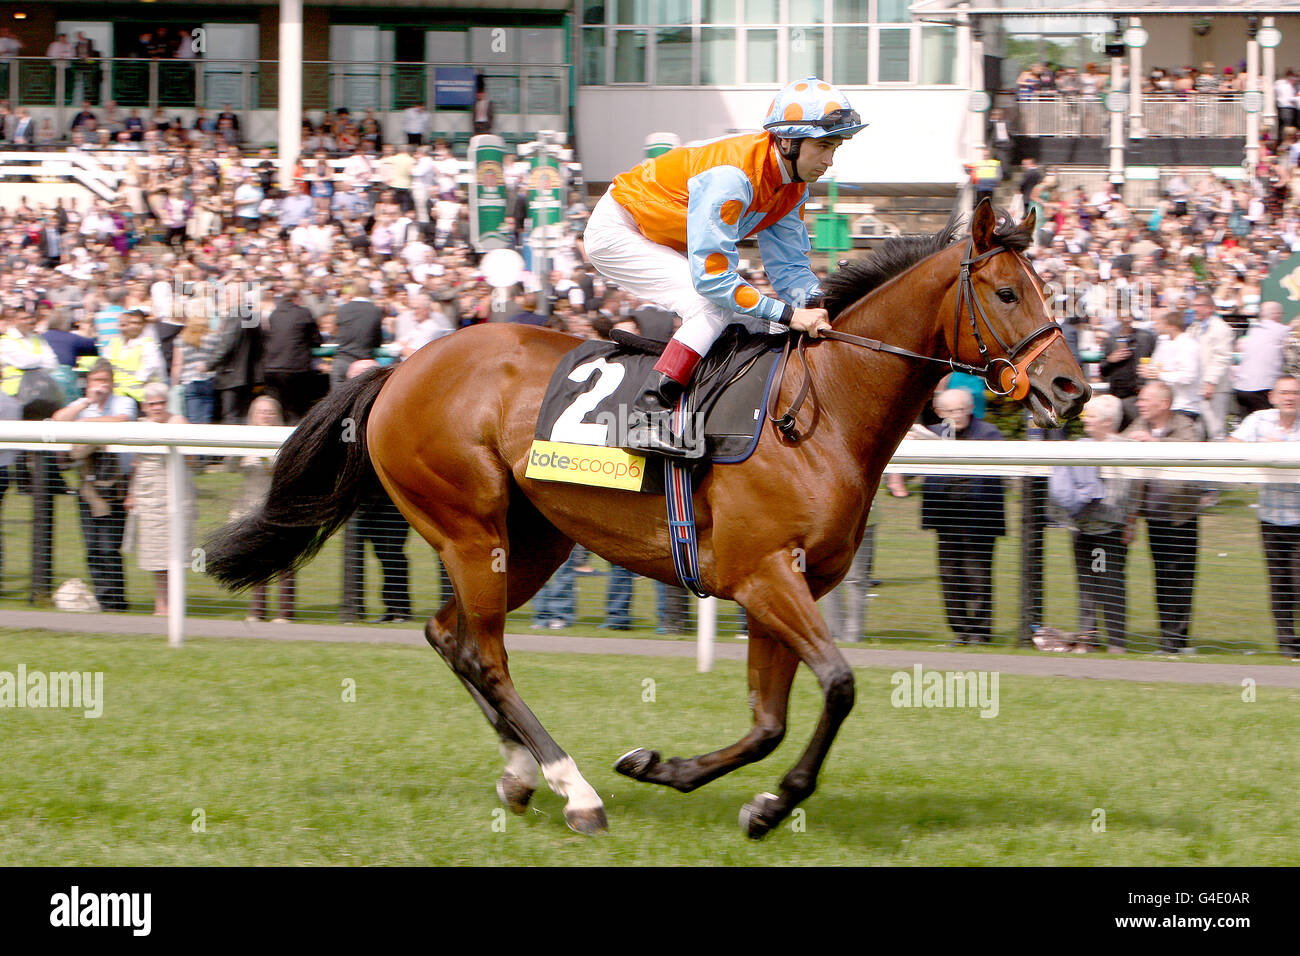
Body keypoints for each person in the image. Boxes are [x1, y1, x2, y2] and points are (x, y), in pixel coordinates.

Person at [583, 77, 859, 457]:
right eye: (824, 146)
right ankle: (645, 416)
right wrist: (790, 313)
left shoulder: (792, 187)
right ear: (788, 142)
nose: (830, 161)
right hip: (620, 229)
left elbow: (790, 270)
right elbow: (713, 281)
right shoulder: (733, 177)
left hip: (666, 239)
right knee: (712, 307)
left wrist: (821, 304)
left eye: (835, 148)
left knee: (757, 322)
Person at [919, 388, 1006, 645]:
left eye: (960, 410)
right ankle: (961, 631)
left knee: (977, 575)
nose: (955, 415)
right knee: (949, 574)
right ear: (940, 412)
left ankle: (980, 632)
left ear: (970, 409)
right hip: (945, 516)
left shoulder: (989, 434)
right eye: (949, 411)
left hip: (978, 519)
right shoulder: (933, 435)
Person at [1048, 394, 1134, 652]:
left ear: (1107, 422)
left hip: (1107, 532)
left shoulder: (1123, 450)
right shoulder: (1080, 446)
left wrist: (1130, 522)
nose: (1085, 420)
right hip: (1081, 530)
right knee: (1086, 584)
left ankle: (1117, 642)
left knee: (1109, 585)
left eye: (1092, 416)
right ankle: (1088, 638)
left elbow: (1124, 494)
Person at [1123, 381, 1205, 654]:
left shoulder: (1184, 424)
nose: (1140, 403)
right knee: (1162, 577)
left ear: (1164, 404)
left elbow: (1192, 447)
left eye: (1146, 399)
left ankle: (1177, 642)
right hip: (1153, 518)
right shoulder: (1138, 425)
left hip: (1181, 518)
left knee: (1181, 578)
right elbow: (1118, 444)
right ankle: (1167, 640)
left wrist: (1155, 442)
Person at [52, 359, 138, 612]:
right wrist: (86, 402)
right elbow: (58, 420)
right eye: (95, 381)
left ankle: (116, 603)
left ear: (112, 383)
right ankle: (103, 601)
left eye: (104, 381)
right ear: (88, 383)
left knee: (109, 547)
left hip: (115, 488)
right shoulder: (82, 406)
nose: (100, 386)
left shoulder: (124, 401)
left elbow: (121, 420)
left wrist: (82, 425)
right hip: (87, 490)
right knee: (92, 549)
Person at [1229, 375, 1300, 658]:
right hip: (1270, 516)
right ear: (1272, 396)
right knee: (1279, 582)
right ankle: (1286, 645)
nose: (1290, 397)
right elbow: (1230, 445)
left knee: (1298, 583)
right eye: (1284, 392)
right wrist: (1261, 449)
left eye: (1295, 392)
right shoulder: (1259, 421)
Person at [125, 382, 194, 616]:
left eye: (161, 403)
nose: (157, 407)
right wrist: (132, 492)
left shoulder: (178, 422)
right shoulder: (140, 427)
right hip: (149, 496)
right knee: (155, 554)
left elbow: (191, 459)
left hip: (177, 492)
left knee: (176, 551)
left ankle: (176, 605)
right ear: (145, 406)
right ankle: (161, 605)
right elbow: (136, 462)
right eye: (152, 403)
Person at [233, 395, 295, 622]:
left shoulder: (288, 438)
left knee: (284, 560)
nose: (266, 415)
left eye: (270, 411)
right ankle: (257, 610)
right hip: (252, 507)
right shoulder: (244, 439)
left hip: (281, 507)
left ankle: (285, 613)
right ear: (253, 415)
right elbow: (231, 465)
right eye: (262, 411)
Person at [262, 287, 322, 423]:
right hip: (295, 369)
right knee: (296, 410)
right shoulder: (303, 312)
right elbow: (317, 340)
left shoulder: (274, 314)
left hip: (272, 368)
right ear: (296, 299)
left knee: (278, 410)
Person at [1187, 291, 1236, 440]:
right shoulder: (1194, 328)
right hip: (1197, 386)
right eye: (1193, 305)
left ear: (1210, 308)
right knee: (1198, 428)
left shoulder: (1221, 328)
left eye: (1199, 306)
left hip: (1215, 388)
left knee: (1216, 429)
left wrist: (1210, 381)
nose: (1195, 309)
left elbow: (1222, 357)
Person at [1235, 301, 1291, 416]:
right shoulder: (1280, 330)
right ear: (1277, 314)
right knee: (1269, 422)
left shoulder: (1253, 330)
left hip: (1242, 388)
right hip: (1262, 390)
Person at [331, 285, 384, 390]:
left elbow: (336, 331)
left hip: (342, 360)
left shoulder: (342, 309)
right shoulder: (375, 310)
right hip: (364, 363)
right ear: (370, 295)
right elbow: (377, 338)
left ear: (353, 294)